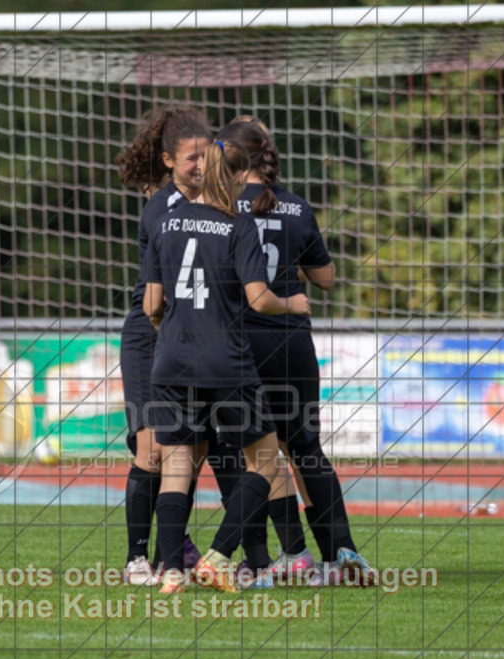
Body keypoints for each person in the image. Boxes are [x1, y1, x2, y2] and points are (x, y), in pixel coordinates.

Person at [143, 136, 311, 594]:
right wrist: (292, 303)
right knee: (266, 461)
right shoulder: (238, 224)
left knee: (177, 466)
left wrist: (172, 329)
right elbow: (259, 298)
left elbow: (152, 305)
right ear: (234, 177)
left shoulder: (165, 221)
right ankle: (218, 556)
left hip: (171, 360)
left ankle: (172, 572)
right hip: (226, 361)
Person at [221, 117, 377, 586]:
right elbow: (326, 278)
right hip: (292, 342)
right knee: (306, 448)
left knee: (257, 454)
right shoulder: (296, 206)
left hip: (243, 343)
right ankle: (341, 552)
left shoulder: (221, 207)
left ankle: (291, 554)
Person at [114, 105, 217, 586]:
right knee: (152, 449)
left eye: (206, 155)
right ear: (169, 161)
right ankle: (136, 558)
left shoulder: (217, 203)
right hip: (150, 336)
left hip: (186, 336)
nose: (201, 164)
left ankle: (169, 553)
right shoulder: (162, 208)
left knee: (189, 451)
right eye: (191, 157)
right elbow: (157, 300)